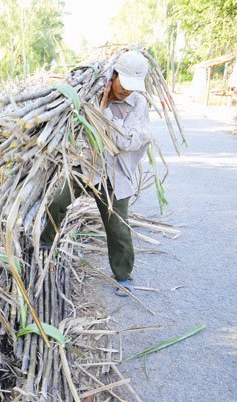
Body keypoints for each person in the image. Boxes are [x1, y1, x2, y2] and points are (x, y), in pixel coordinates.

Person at [40, 50, 151, 297]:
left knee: (118, 226)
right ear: (114, 74)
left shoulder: (138, 104)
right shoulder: (89, 92)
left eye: (133, 86)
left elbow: (129, 141)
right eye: (124, 83)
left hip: (114, 172)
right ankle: (45, 243)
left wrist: (104, 113)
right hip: (86, 164)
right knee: (57, 201)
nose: (127, 90)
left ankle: (123, 275)